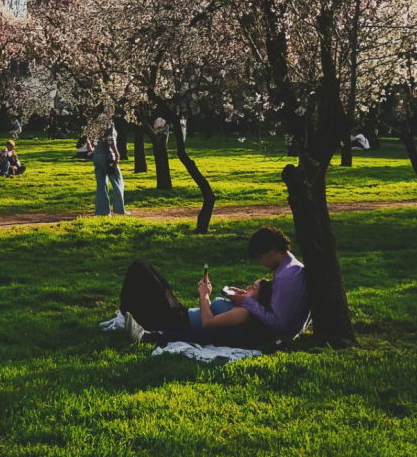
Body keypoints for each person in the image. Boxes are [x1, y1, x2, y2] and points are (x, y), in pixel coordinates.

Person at [121, 226, 311, 349]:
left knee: (140, 268)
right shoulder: (286, 272)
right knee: (150, 275)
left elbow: (278, 323)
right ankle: (129, 311)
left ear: (271, 250)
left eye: (261, 257)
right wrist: (245, 298)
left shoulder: (288, 277)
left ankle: (128, 312)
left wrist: (206, 296)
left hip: (176, 320)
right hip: (181, 314)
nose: (261, 263)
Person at [91, 124, 127, 215]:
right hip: (107, 155)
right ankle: (119, 209)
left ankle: (102, 211)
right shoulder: (108, 124)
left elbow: (91, 140)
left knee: (101, 184)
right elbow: (111, 140)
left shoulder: (95, 124)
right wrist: (117, 154)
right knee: (117, 181)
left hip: (97, 155)